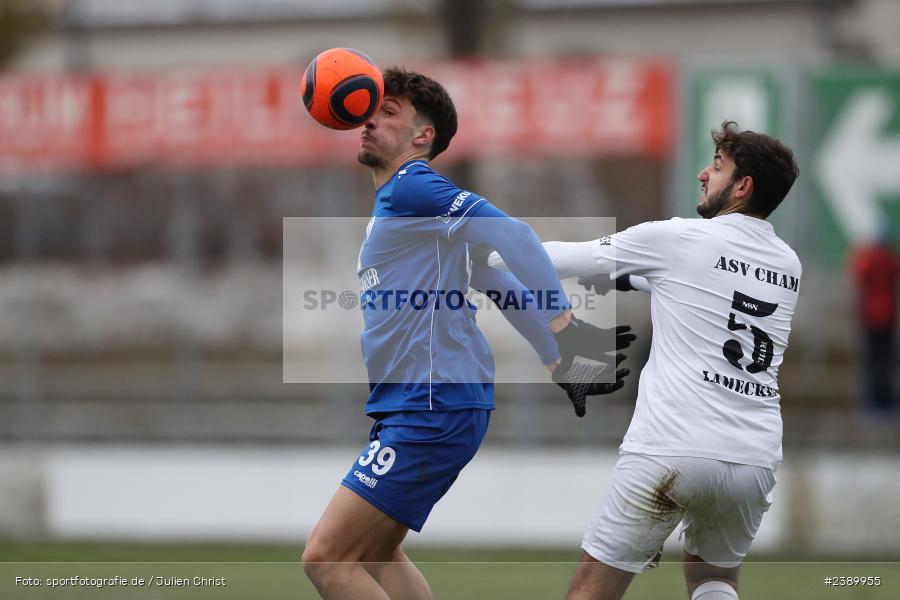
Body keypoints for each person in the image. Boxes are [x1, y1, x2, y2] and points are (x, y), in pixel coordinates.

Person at [300, 67, 633, 600]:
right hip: (427, 402)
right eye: (370, 109)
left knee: (326, 558)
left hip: (431, 404)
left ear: (421, 136)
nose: (368, 118)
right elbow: (495, 279)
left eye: (388, 112)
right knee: (378, 554)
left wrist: (564, 325)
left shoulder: (414, 186)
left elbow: (514, 235)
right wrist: (556, 356)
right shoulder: (406, 207)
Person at [489, 121, 801, 600]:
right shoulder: (787, 264)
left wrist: (477, 254)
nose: (702, 174)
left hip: (673, 446)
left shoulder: (679, 240)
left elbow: (555, 259)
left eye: (717, 167)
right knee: (714, 580)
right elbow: (683, 286)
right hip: (753, 457)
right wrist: (626, 275)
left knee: (591, 593)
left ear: (743, 186)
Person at [848, 234, 899, 415]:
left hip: (870, 317)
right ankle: (886, 400)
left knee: (871, 361)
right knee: (886, 361)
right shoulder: (892, 261)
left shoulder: (868, 260)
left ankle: (873, 401)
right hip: (888, 318)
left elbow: (857, 272)